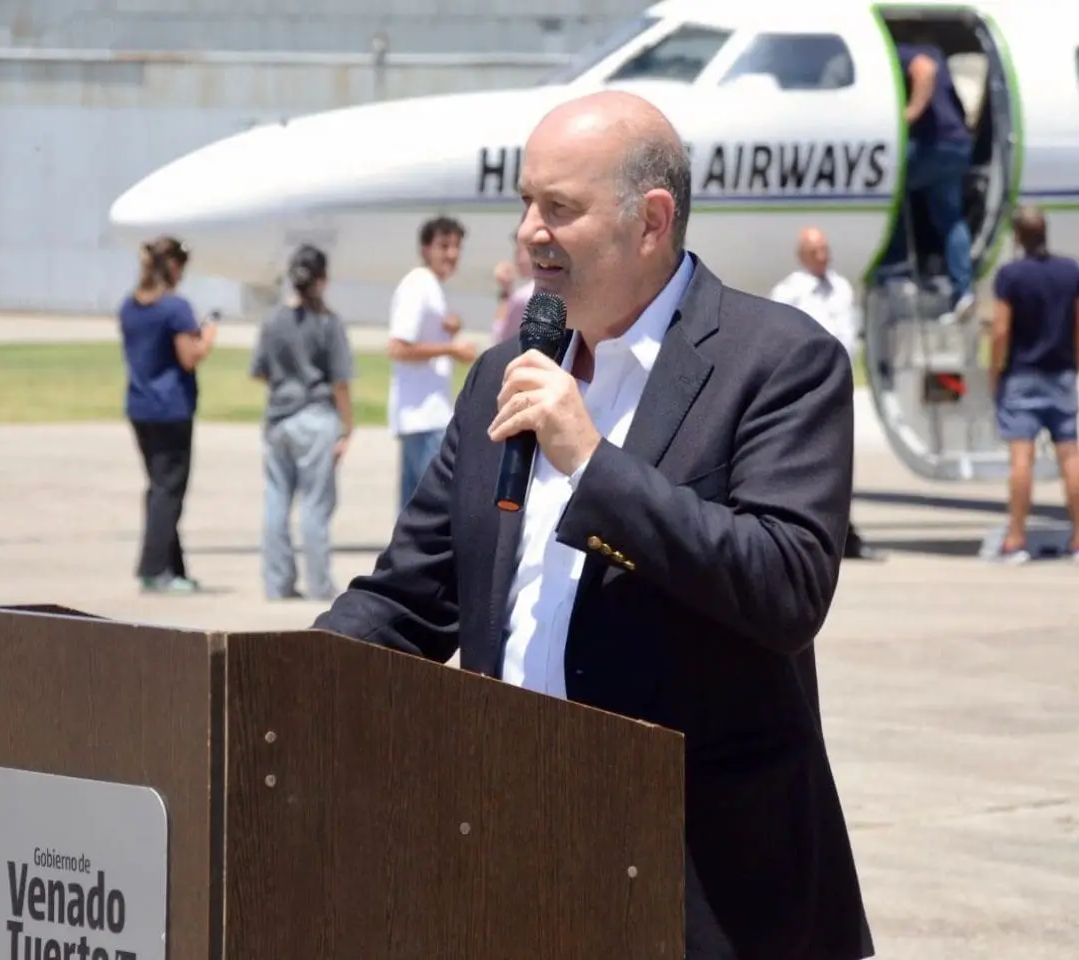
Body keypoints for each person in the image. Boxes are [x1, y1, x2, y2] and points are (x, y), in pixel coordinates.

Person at [314, 90, 873, 960]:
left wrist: (592, 462)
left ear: (651, 221)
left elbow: (784, 587)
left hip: (708, 891)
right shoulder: (506, 372)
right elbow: (409, 599)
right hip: (518, 860)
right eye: (526, 203)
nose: (529, 232)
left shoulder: (777, 362)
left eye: (560, 208)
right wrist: (264, 678)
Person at [250, 244, 356, 599]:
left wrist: (286, 383)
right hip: (316, 416)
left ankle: (277, 582)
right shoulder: (328, 322)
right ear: (322, 280)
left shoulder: (273, 321)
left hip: (279, 417)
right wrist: (348, 426)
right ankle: (319, 583)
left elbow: (259, 371)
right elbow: (340, 381)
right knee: (315, 503)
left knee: (276, 499)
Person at [770, 226, 883, 561]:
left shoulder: (842, 288)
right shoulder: (788, 292)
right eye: (816, 251)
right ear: (802, 255)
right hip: (804, 388)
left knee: (841, 461)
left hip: (838, 385)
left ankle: (845, 532)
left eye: (825, 250)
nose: (824, 256)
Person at [118, 235, 217, 594]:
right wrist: (207, 335)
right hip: (171, 408)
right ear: (173, 266)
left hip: (140, 406)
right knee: (169, 490)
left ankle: (174, 567)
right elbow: (189, 357)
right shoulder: (175, 308)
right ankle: (155, 568)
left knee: (160, 488)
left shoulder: (129, 307)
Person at [987, 206, 1079, 563]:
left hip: (1022, 376)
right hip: (1062, 375)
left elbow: (1000, 330)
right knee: (1070, 456)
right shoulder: (1070, 271)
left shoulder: (1011, 276)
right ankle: (1078, 540)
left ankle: (1015, 539)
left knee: (1022, 458)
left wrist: (995, 371)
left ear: (1017, 237)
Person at [386, 215, 480, 510]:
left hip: (423, 414)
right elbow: (398, 347)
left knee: (415, 508)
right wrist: (451, 349)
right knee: (433, 507)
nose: (452, 253)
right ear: (425, 249)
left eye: (456, 246)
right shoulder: (418, 285)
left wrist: (448, 326)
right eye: (443, 246)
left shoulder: (431, 287)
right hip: (424, 416)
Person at [897, 39, 975, 322]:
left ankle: (896, 271)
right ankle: (963, 290)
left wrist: (909, 114)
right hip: (956, 143)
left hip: (930, 143)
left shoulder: (899, 51)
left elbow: (924, 70)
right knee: (951, 218)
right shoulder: (936, 51)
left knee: (889, 196)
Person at [490, 235, 534, 345]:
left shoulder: (522, 297)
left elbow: (501, 338)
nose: (515, 259)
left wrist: (505, 290)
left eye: (518, 251)